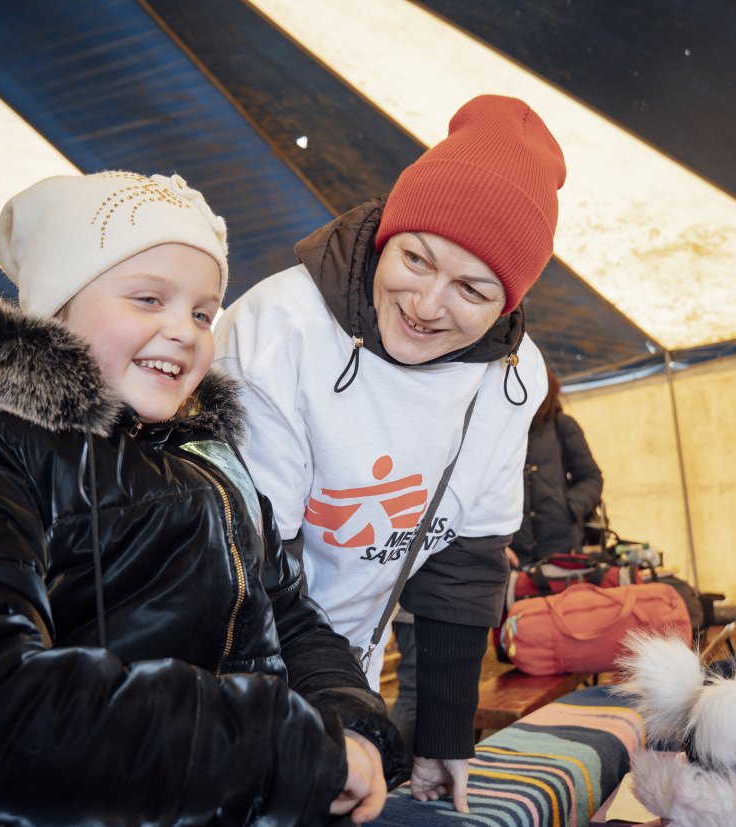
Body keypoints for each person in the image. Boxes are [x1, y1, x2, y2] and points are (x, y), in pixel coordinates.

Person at [0, 171, 405, 826]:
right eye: (147, 298)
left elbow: (283, 609)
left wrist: (347, 719)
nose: (185, 330)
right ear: (57, 308)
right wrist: (276, 746)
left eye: (201, 311)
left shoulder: (207, 456)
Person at [215, 95, 566, 812]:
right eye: (416, 258)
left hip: (354, 679)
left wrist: (441, 735)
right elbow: (249, 567)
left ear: (508, 303)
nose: (428, 303)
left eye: (471, 288)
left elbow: (466, 560)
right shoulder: (278, 330)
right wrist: (331, 717)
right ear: (387, 237)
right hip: (240, 669)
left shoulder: (513, 373)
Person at [506, 366, 604, 569]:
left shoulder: (563, 425)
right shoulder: (504, 432)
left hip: (561, 550)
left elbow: (592, 478)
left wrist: (567, 507)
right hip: (516, 553)